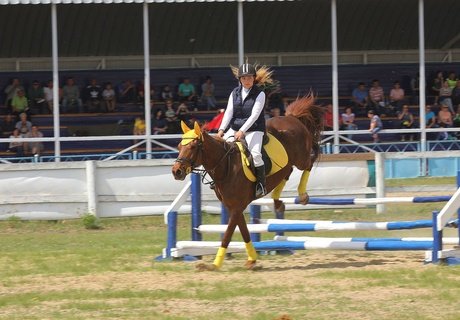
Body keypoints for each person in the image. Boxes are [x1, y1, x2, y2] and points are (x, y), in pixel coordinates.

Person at [217, 63, 269, 198]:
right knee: (219, 148)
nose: (247, 81)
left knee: (256, 154)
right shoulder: (234, 93)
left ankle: (261, 184)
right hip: (234, 128)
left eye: (250, 78)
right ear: (240, 79)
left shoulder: (260, 94)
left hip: (254, 129)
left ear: (254, 78)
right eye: (244, 78)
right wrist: (222, 129)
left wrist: (242, 130)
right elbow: (228, 112)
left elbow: (254, 115)